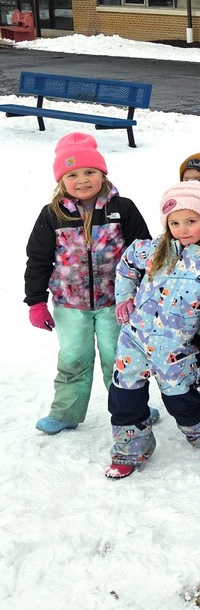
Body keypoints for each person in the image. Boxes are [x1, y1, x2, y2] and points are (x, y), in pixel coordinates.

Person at [105, 181, 200, 478]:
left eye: (191, 221)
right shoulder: (153, 250)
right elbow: (126, 264)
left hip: (175, 349)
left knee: (183, 400)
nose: (182, 229)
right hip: (134, 340)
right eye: (174, 223)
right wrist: (124, 296)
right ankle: (129, 450)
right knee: (124, 399)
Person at [25, 132, 151, 435]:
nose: (82, 180)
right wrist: (36, 302)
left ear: (102, 174)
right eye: (73, 175)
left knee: (118, 359)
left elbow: (144, 253)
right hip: (70, 304)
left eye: (90, 172)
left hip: (116, 303)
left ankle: (131, 409)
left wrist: (145, 295)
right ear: (61, 180)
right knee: (73, 358)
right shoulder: (52, 215)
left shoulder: (123, 208)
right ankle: (66, 412)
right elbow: (38, 259)